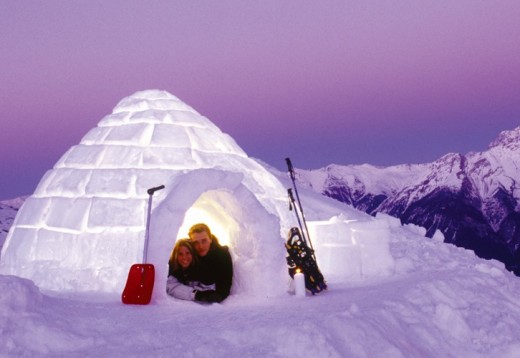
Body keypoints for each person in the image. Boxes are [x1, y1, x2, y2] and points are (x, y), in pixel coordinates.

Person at [188, 223, 233, 303]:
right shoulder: (188, 253)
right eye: (196, 243)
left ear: (210, 239)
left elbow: (224, 286)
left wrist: (217, 296)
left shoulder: (222, 254)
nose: (200, 246)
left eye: (204, 241)